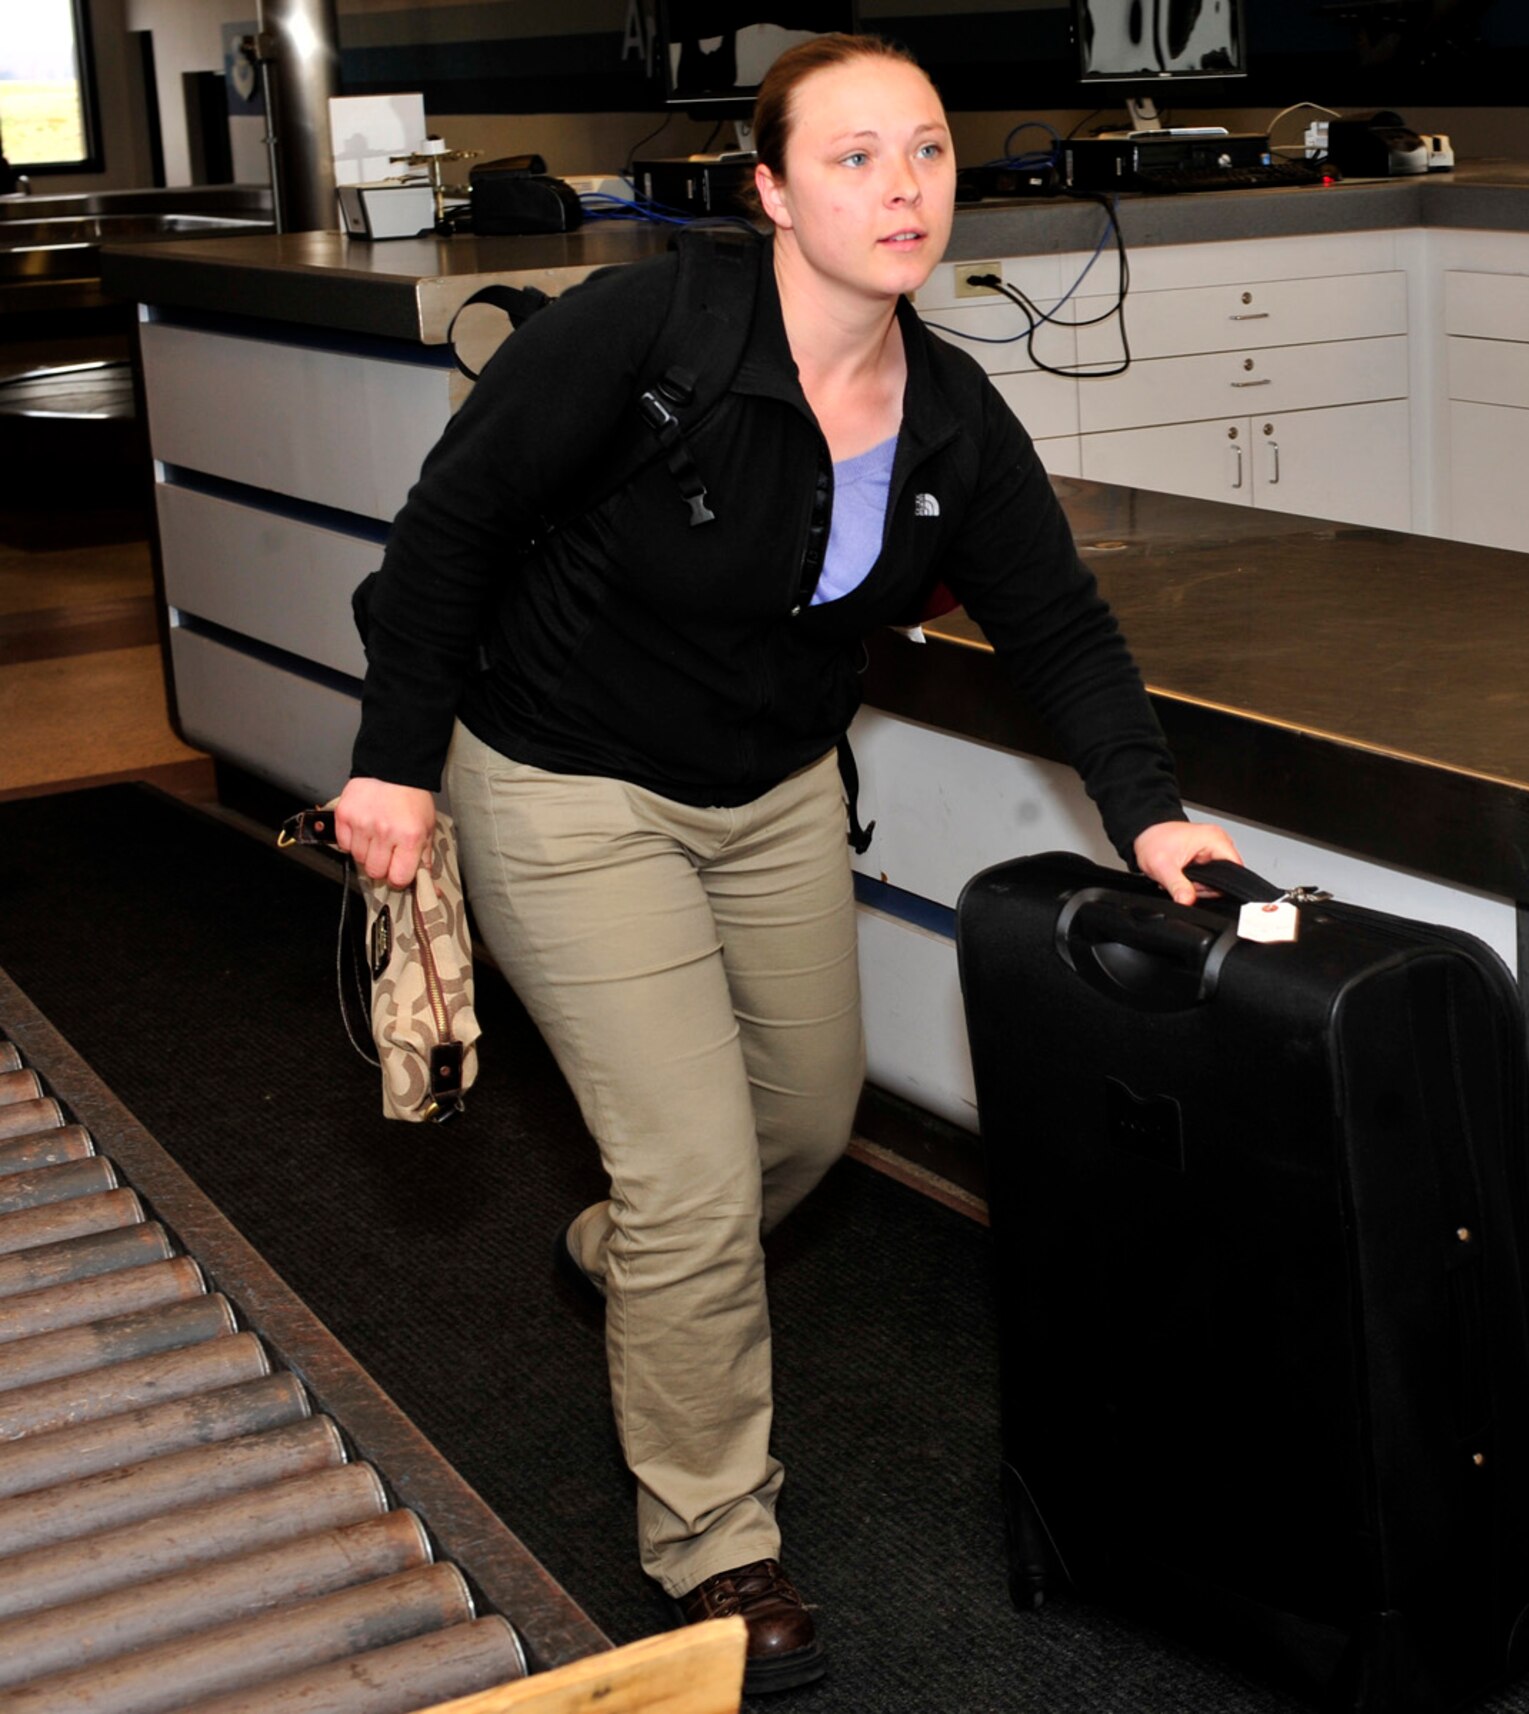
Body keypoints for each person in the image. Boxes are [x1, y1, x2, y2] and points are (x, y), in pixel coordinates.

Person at [333, 33, 1242, 1694]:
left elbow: (1061, 628)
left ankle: (631, 1263)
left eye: (927, 153)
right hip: (564, 782)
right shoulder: (643, 331)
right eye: (853, 156)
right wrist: (394, 761)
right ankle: (716, 1543)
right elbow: (452, 525)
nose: (901, 187)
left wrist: (1152, 813)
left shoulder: (951, 417)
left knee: (805, 1121)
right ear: (767, 190)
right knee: (691, 1175)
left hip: (769, 794)